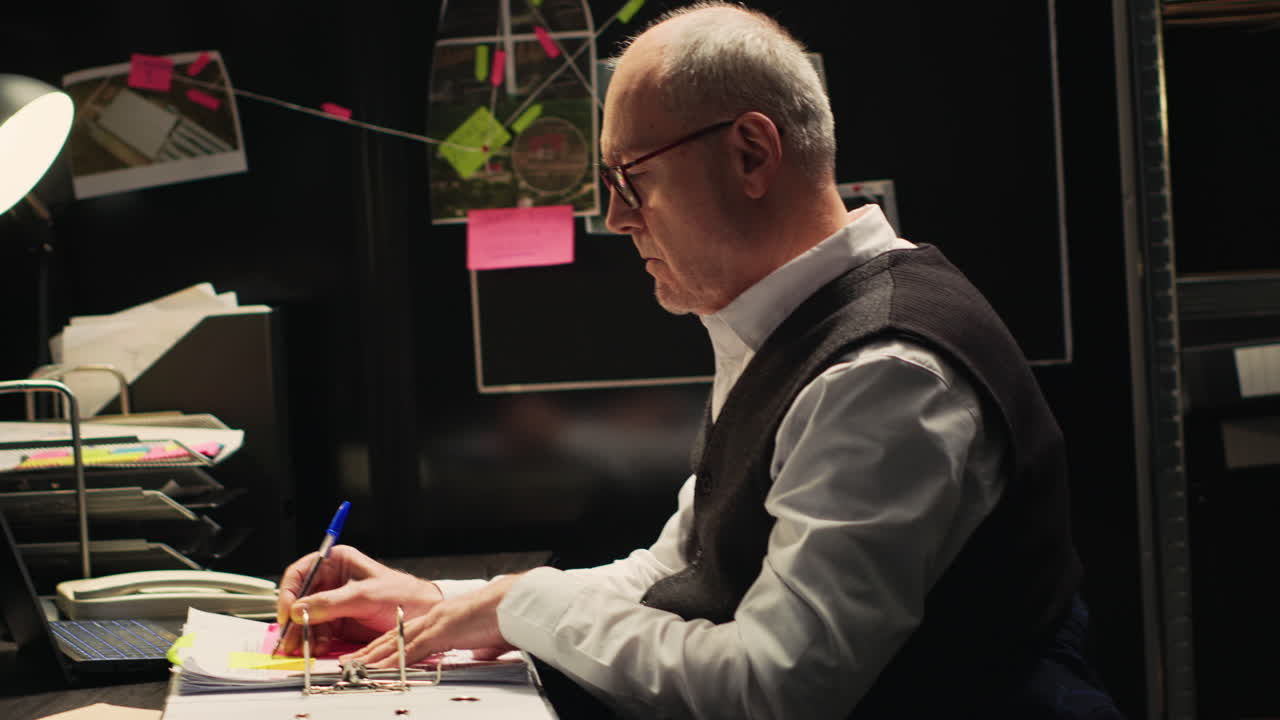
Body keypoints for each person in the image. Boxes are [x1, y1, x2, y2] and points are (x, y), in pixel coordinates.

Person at [276, 3, 1123, 718]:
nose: (616, 217)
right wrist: (452, 606)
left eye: (631, 177)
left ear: (751, 153)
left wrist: (524, 604)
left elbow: (778, 685)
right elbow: (682, 568)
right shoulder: (789, 321)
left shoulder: (886, 373)